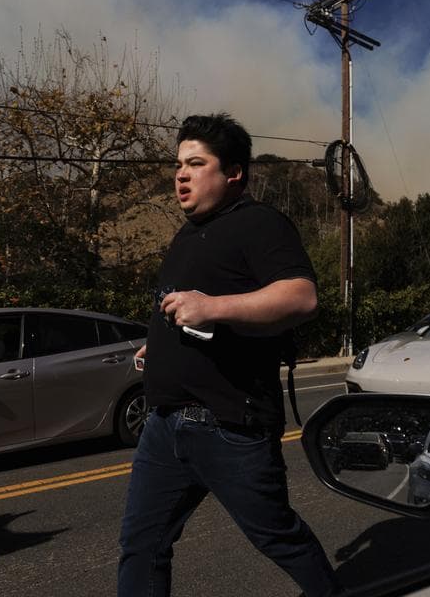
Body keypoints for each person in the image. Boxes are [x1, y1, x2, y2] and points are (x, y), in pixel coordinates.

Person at [117, 114, 341, 597]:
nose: (180, 174)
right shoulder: (187, 235)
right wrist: (159, 343)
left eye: (196, 163)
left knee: (278, 537)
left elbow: (302, 296)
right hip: (164, 426)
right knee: (142, 545)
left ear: (233, 172)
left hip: (228, 426)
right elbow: (193, 314)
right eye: (178, 164)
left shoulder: (258, 223)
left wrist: (212, 306)